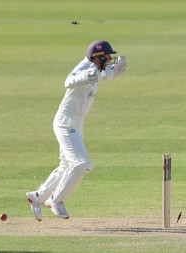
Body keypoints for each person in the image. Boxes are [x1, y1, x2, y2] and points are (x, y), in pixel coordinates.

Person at [26, 40, 126, 221]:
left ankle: (37, 197)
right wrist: (85, 76)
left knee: (66, 166)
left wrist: (114, 71)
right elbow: (68, 81)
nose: (110, 59)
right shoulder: (84, 67)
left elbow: (103, 75)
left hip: (77, 123)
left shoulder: (97, 69)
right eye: (108, 56)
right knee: (82, 164)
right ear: (98, 57)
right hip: (66, 122)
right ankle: (56, 200)